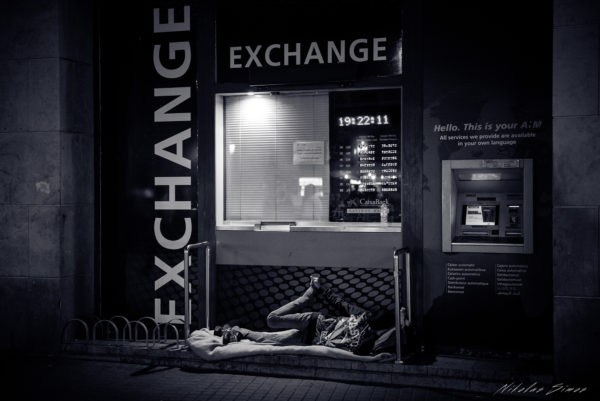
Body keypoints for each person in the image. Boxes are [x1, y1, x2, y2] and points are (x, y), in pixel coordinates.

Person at [215, 275, 396, 356]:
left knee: (270, 340)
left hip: (311, 340)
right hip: (314, 321)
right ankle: (307, 296)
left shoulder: (369, 342)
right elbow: (340, 303)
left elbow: (360, 352)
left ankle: (237, 330)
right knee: (272, 320)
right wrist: (320, 288)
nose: (374, 320)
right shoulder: (363, 315)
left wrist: (375, 338)